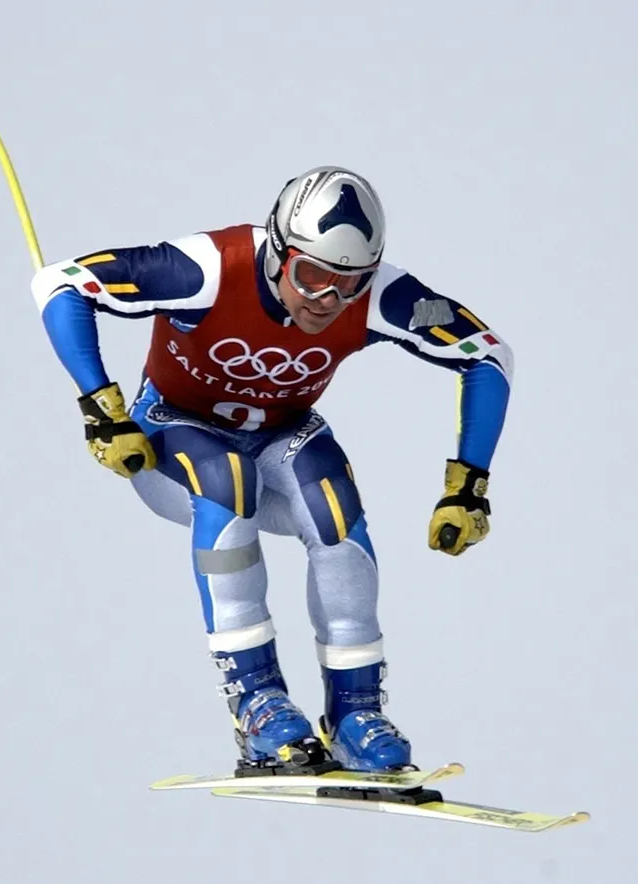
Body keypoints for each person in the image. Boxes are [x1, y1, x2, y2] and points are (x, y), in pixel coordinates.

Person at [28, 165, 513, 773]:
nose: (327, 301)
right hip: (174, 431)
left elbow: (488, 355)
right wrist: (103, 410)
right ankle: (257, 705)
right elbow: (60, 283)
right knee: (228, 482)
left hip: (280, 433)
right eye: (311, 276)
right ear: (279, 251)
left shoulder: (382, 297)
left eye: (350, 283)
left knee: (335, 506)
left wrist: (469, 485)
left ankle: (354, 712)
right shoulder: (209, 267)